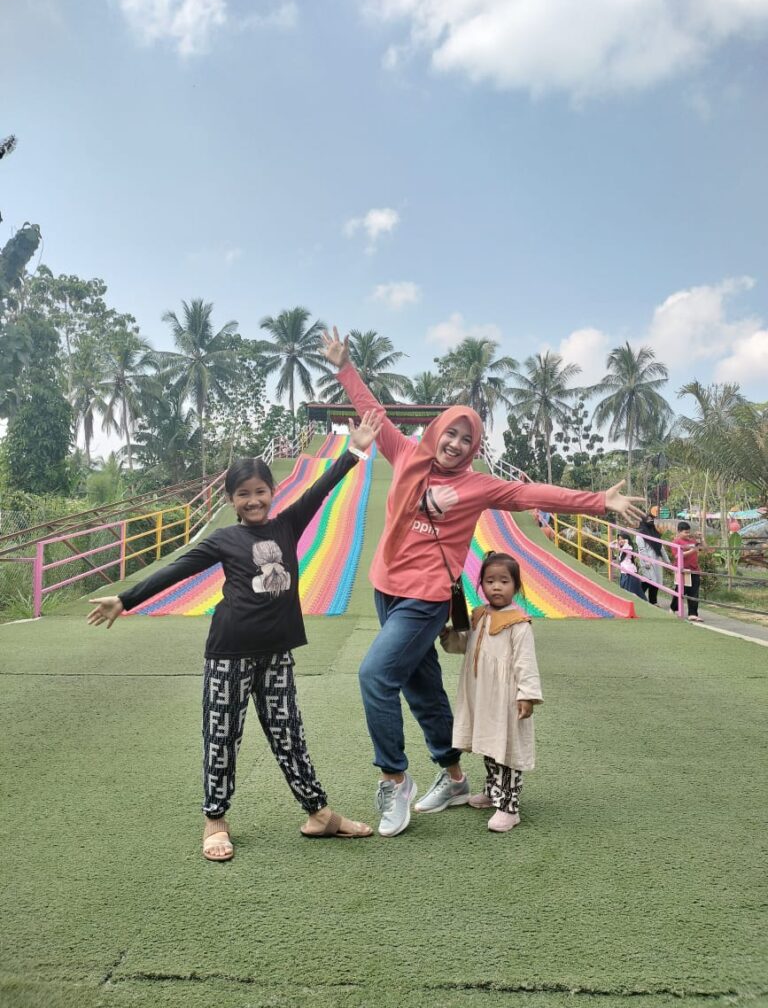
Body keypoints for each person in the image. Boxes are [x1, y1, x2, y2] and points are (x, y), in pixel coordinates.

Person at [320, 326, 645, 838]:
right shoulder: (405, 454)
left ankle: (394, 778)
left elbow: (532, 491)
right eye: (450, 433)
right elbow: (372, 410)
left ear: (474, 448)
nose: (454, 443)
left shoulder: (477, 485)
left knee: (375, 676)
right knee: (422, 685)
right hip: (386, 587)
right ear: (437, 432)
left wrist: (598, 501)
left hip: (426, 597)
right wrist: (344, 367)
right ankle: (452, 777)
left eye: (467, 439)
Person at [87, 411, 383, 861]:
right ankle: (215, 819)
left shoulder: (288, 525)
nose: (253, 500)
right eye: (243, 494)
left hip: (277, 654)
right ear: (230, 499)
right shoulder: (223, 540)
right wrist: (125, 600)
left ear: (272, 492)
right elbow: (175, 569)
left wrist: (355, 450)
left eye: (260, 491)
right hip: (229, 654)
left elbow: (320, 490)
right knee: (221, 736)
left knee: (290, 734)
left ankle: (318, 814)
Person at [440, 552, 541, 833]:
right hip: (482, 696)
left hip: (506, 699)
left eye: (504, 581)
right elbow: (464, 646)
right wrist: (447, 635)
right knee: (489, 743)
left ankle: (509, 806)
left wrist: (527, 695)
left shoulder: (518, 624)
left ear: (516, 586)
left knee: (505, 749)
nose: (497, 587)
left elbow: (526, 663)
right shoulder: (480, 616)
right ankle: (492, 790)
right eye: (490, 581)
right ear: (481, 585)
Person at [669, 520, 702, 621]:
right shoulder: (676, 542)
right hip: (683, 570)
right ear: (679, 532)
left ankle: (693, 613)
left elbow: (703, 548)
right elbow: (677, 555)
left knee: (694, 592)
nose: (688, 534)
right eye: (685, 532)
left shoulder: (692, 541)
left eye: (689, 532)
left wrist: (701, 538)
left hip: (694, 569)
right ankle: (673, 608)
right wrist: (691, 551)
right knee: (681, 590)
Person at [636, 513, 670, 605]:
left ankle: (653, 601)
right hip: (647, 561)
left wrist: (667, 561)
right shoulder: (640, 534)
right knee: (648, 580)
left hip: (657, 559)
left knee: (656, 581)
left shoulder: (655, 533)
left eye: (651, 519)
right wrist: (646, 561)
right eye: (648, 519)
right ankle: (639, 597)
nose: (650, 521)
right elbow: (642, 549)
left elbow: (661, 547)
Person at [615, 531, 646, 599]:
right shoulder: (622, 548)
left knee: (632, 593)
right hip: (625, 572)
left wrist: (624, 542)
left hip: (630, 573)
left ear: (627, 539)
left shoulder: (629, 547)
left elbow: (624, 547)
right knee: (627, 593)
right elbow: (610, 544)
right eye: (619, 539)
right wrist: (617, 541)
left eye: (623, 539)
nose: (621, 541)